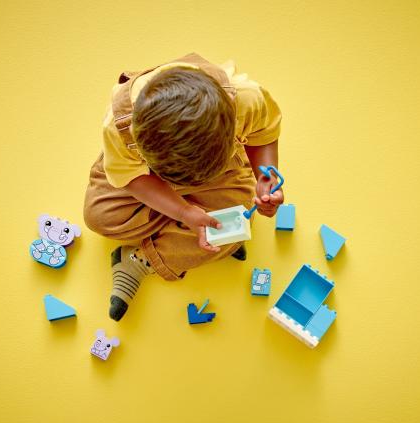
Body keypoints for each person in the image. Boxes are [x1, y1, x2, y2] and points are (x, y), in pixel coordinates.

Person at [83, 53, 283, 321]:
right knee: (98, 216)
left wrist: (265, 177)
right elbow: (129, 176)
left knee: (238, 220)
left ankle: (139, 261)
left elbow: (264, 133)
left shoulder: (246, 98)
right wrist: (183, 212)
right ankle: (195, 235)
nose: (185, 187)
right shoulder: (119, 127)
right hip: (145, 176)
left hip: (221, 173)